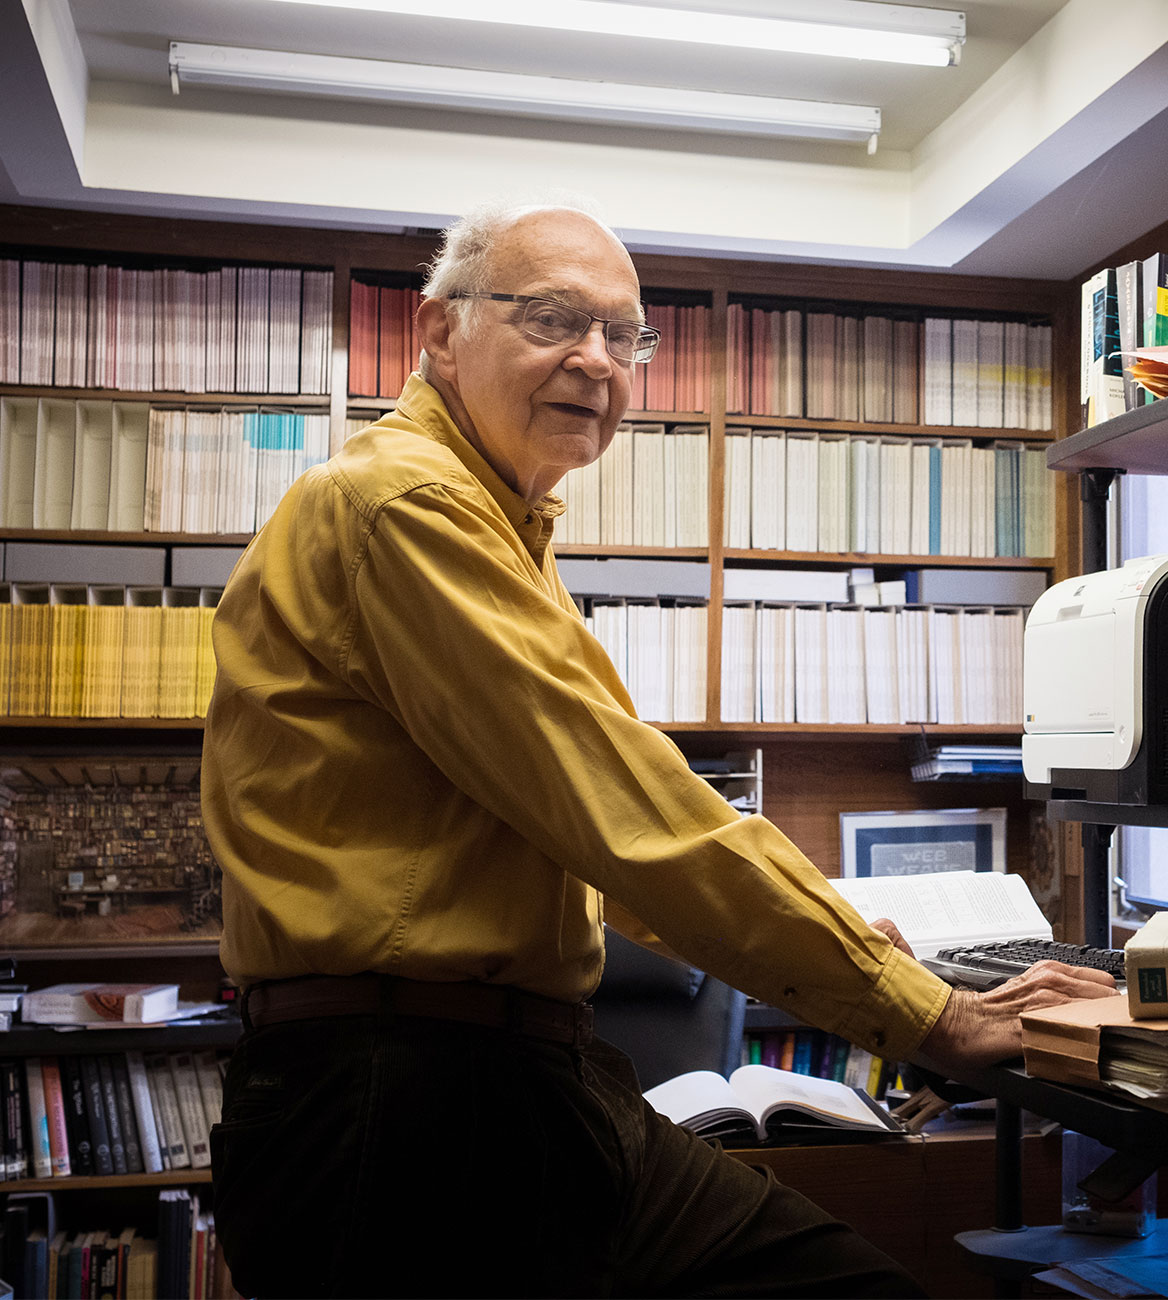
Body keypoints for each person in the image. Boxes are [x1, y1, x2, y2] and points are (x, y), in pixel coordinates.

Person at [200, 201, 1117, 1297]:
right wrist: (930, 1012)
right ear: (438, 333)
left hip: (502, 1077)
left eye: (623, 334)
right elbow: (623, 808)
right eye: (550, 319)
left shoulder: (492, 519)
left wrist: (839, 935)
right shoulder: (405, 505)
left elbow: (583, 821)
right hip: (401, 1103)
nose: (594, 359)